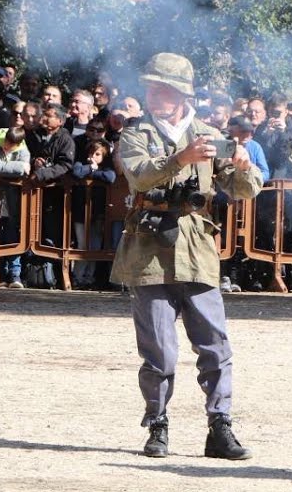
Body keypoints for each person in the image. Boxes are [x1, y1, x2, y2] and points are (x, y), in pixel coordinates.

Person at [110, 52, 263, 460]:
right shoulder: (135, 132)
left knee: (214, 343)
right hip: (149, 250)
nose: (153, 94)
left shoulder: (209, 134)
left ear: (181, 94)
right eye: (150, 86)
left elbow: (246, 189)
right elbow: (140, 174)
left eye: (162, 88)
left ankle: (220, 427)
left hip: (197, 248)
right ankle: (157, 424)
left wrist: (245, 167)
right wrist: (182, 158)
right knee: (159, 349)